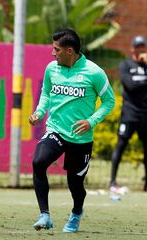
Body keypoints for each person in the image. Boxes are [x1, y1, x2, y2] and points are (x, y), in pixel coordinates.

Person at [29, 28, 115, 233]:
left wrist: (91, 121)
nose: (52, 53)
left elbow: (109, 102)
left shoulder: (94, 72)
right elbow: (47, 93)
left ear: (69, 51)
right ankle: (45, 215)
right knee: (38, 162)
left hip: (81, 138)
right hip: (56, 130)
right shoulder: (51, 69)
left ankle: (76, 213)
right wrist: (39, 112)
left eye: (56, 49)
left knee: (75, 184)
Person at [110, 35, 147, 193]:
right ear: (132, 48)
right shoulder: (125, 65)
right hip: (130, 113)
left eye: (142, 47)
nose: (140, 50)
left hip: (145, 115)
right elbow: (130, 85)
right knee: (121, 145)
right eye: (137, 47)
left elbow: (136, 83)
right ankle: (112, 181)